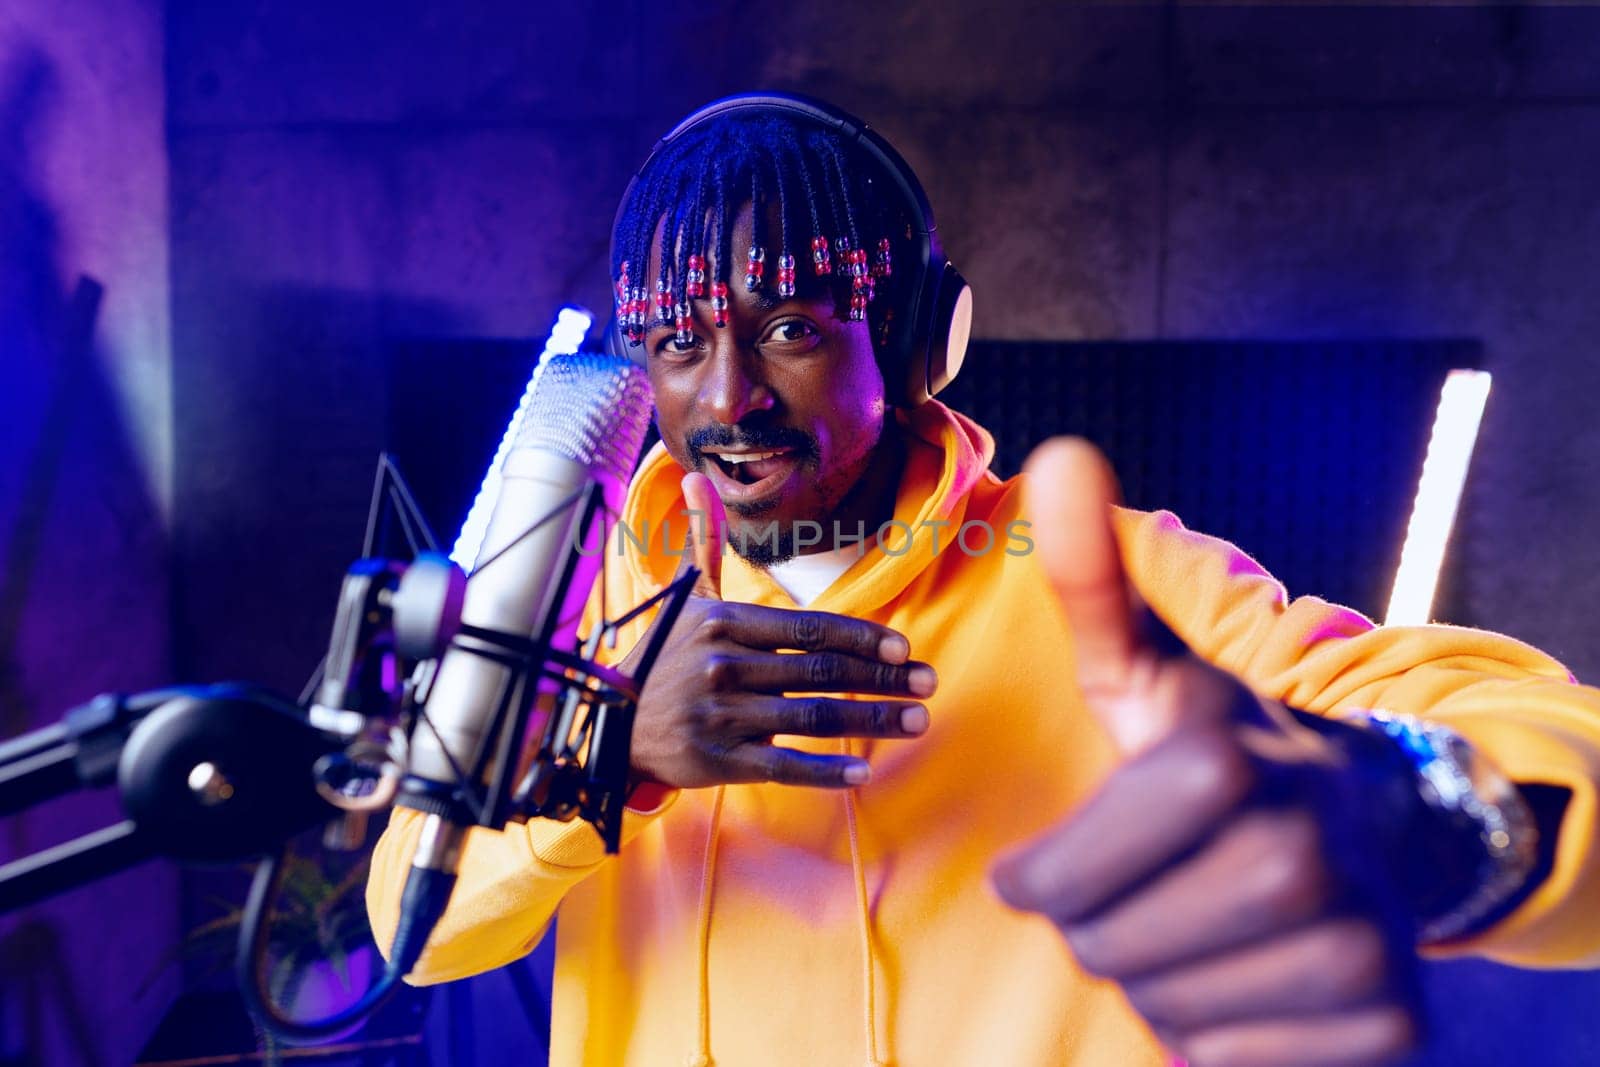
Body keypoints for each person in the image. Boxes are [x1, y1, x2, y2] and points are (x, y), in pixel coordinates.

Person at [368, 94, 1600, 1067]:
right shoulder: (568, 610)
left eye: (790, 327)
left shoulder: (1103, 583)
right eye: (680, 344)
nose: (726, 396)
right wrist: (606, 744)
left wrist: (1420, 813)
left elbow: (1532, 724)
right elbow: (407, 924)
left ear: (920, 344)